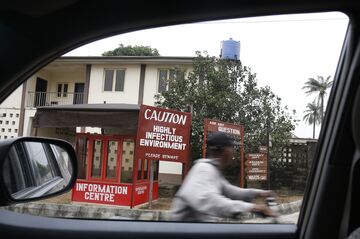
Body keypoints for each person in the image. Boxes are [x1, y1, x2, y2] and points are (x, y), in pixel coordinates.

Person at [170, 131, 277, 222]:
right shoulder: (203, 169)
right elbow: (210, 201)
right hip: (183, 230)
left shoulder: (213, 171)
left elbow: (231, 191)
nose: (234, 152)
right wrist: (253, 208)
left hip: (197, 229)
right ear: (225, 151)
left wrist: (260, 193)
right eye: (232, 148)